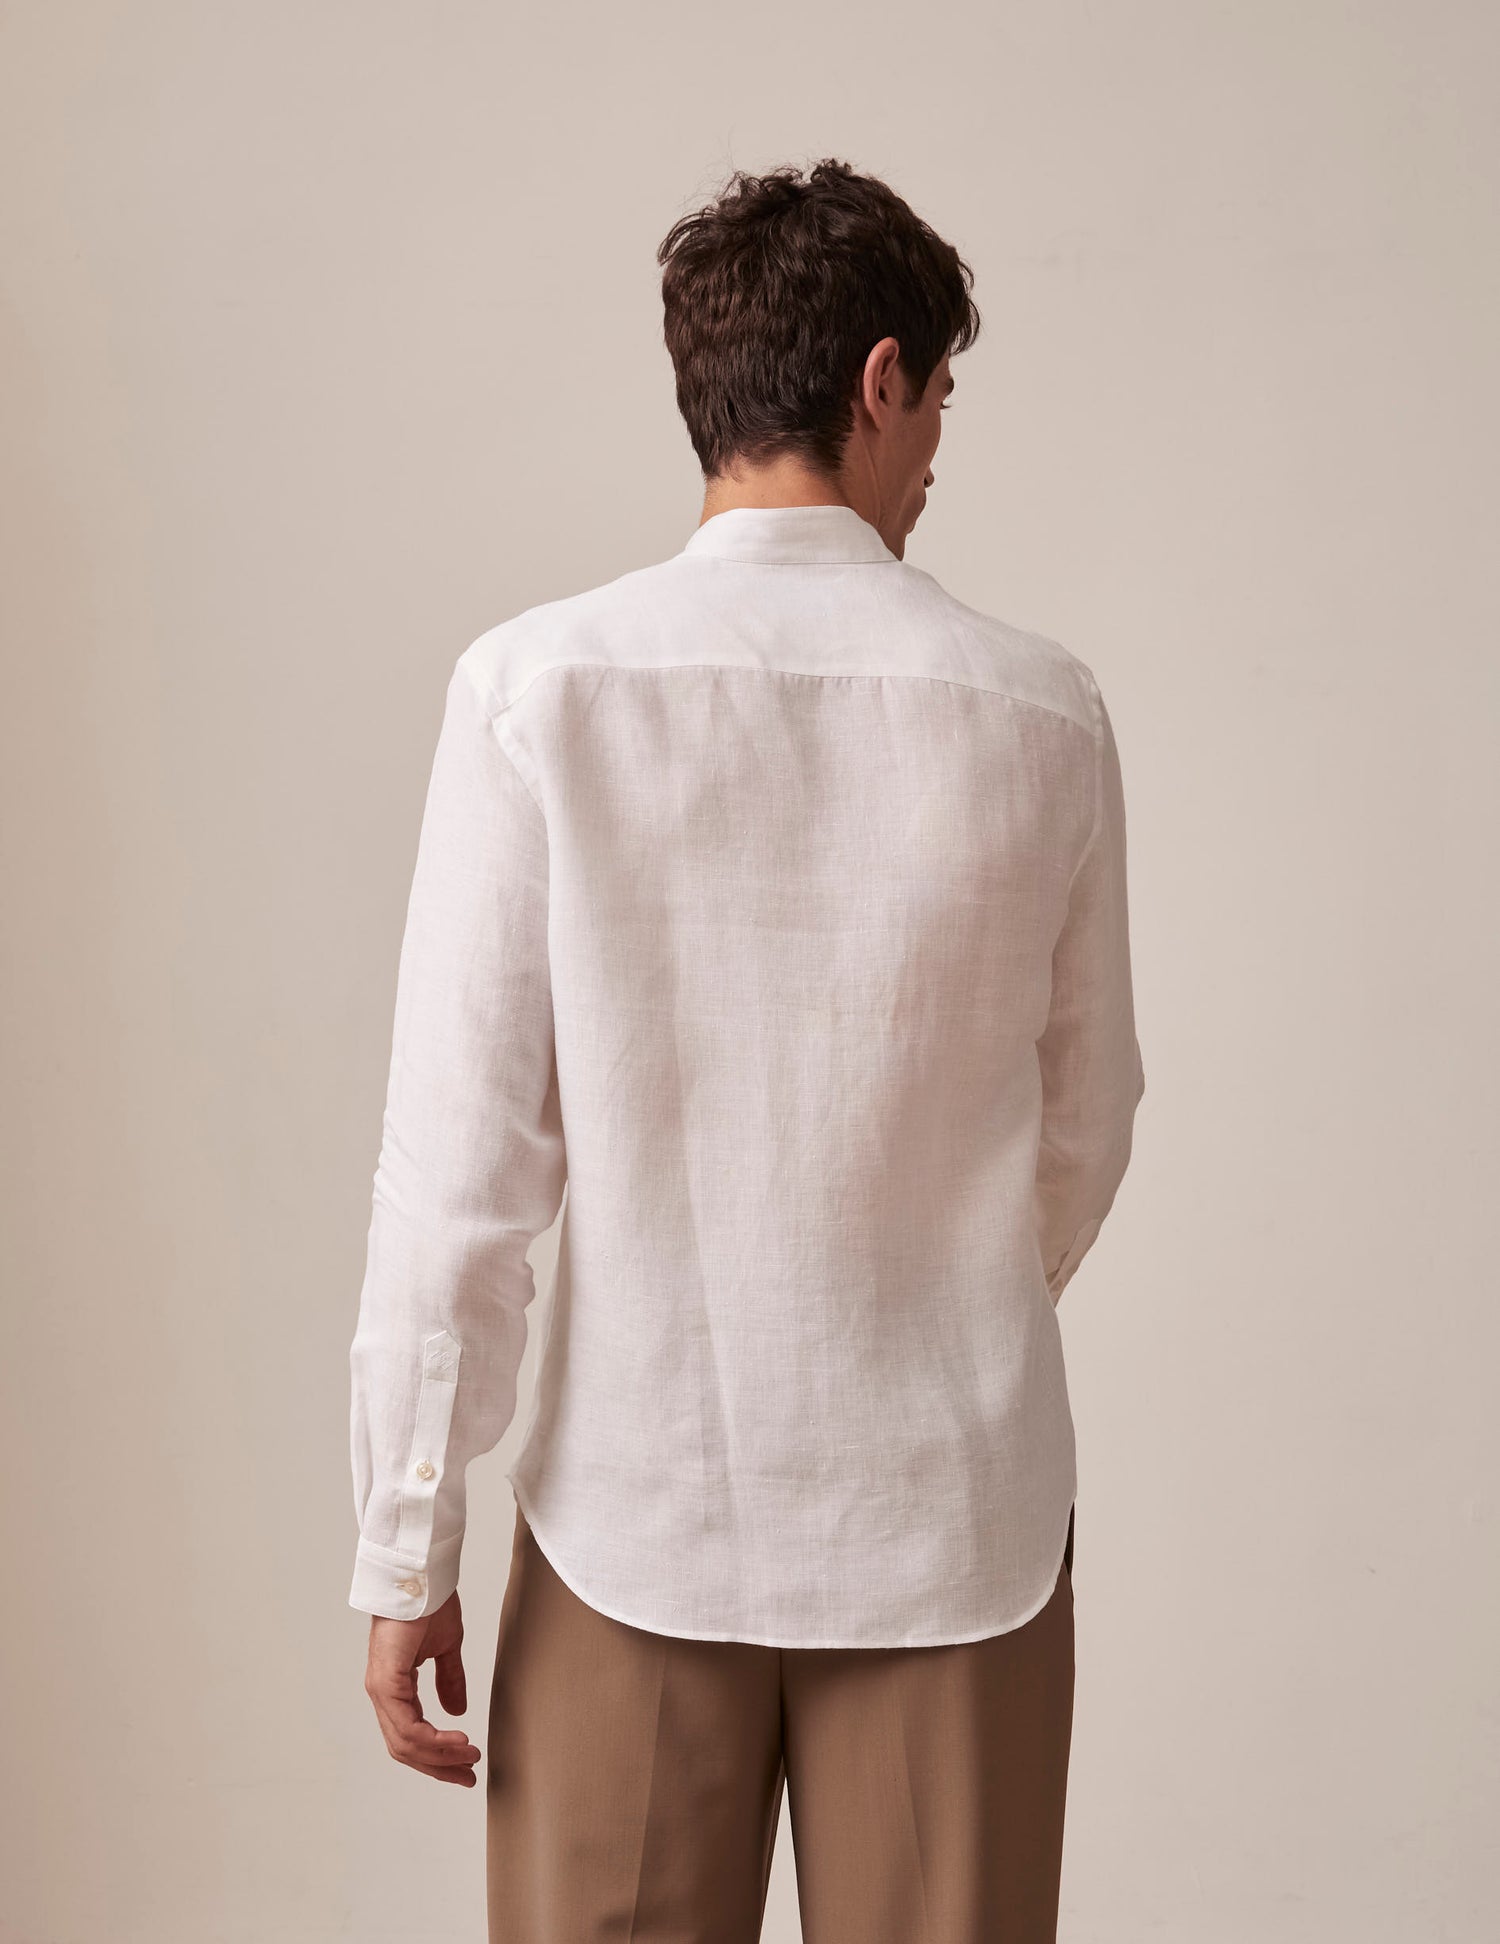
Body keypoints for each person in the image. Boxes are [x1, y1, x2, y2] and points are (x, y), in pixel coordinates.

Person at [348, 156, 1145, 1944]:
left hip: (634, 1516)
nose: (935, 452)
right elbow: (1085, 1124)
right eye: (939, 401)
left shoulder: (537, 691)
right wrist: (928, 1306)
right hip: (956, 1532)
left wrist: (407, 1541)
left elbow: (458, 1180)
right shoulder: (1040, 713)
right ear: (881, 378)